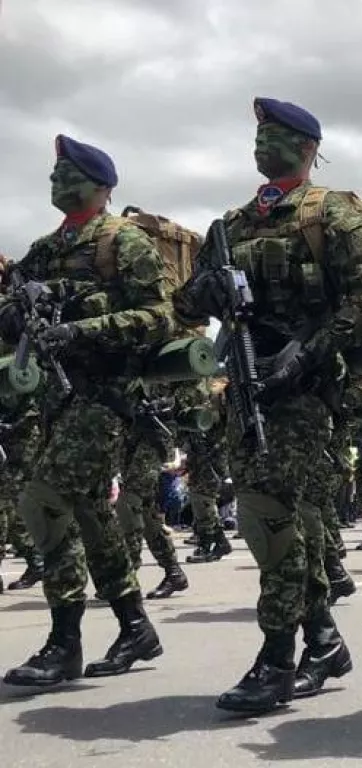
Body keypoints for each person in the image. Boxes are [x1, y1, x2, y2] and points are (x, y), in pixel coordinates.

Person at [174, 96, 362, 712]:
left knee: (268, 517)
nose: (259, 143)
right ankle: (323, 639)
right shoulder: (232, 225)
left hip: (304, 391)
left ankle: (276, 660)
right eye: (257, 134)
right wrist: (204, 292)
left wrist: (310, 350)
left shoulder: (335, 215)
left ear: (305, 148)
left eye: (272, 134)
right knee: (274, 519)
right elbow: (186, 307)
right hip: (247, 390)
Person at [1, 135, 176, 686]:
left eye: (69, 173)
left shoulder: (122, 243)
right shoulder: (42, 251)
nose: (56, 182)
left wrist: (81, 327)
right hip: (55, 399)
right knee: (90, 515)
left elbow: (159, 318)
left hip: (105, 398)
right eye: (53, 173)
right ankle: (135, 625)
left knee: (43, 501)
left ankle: (65, 640)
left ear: (100, 186)